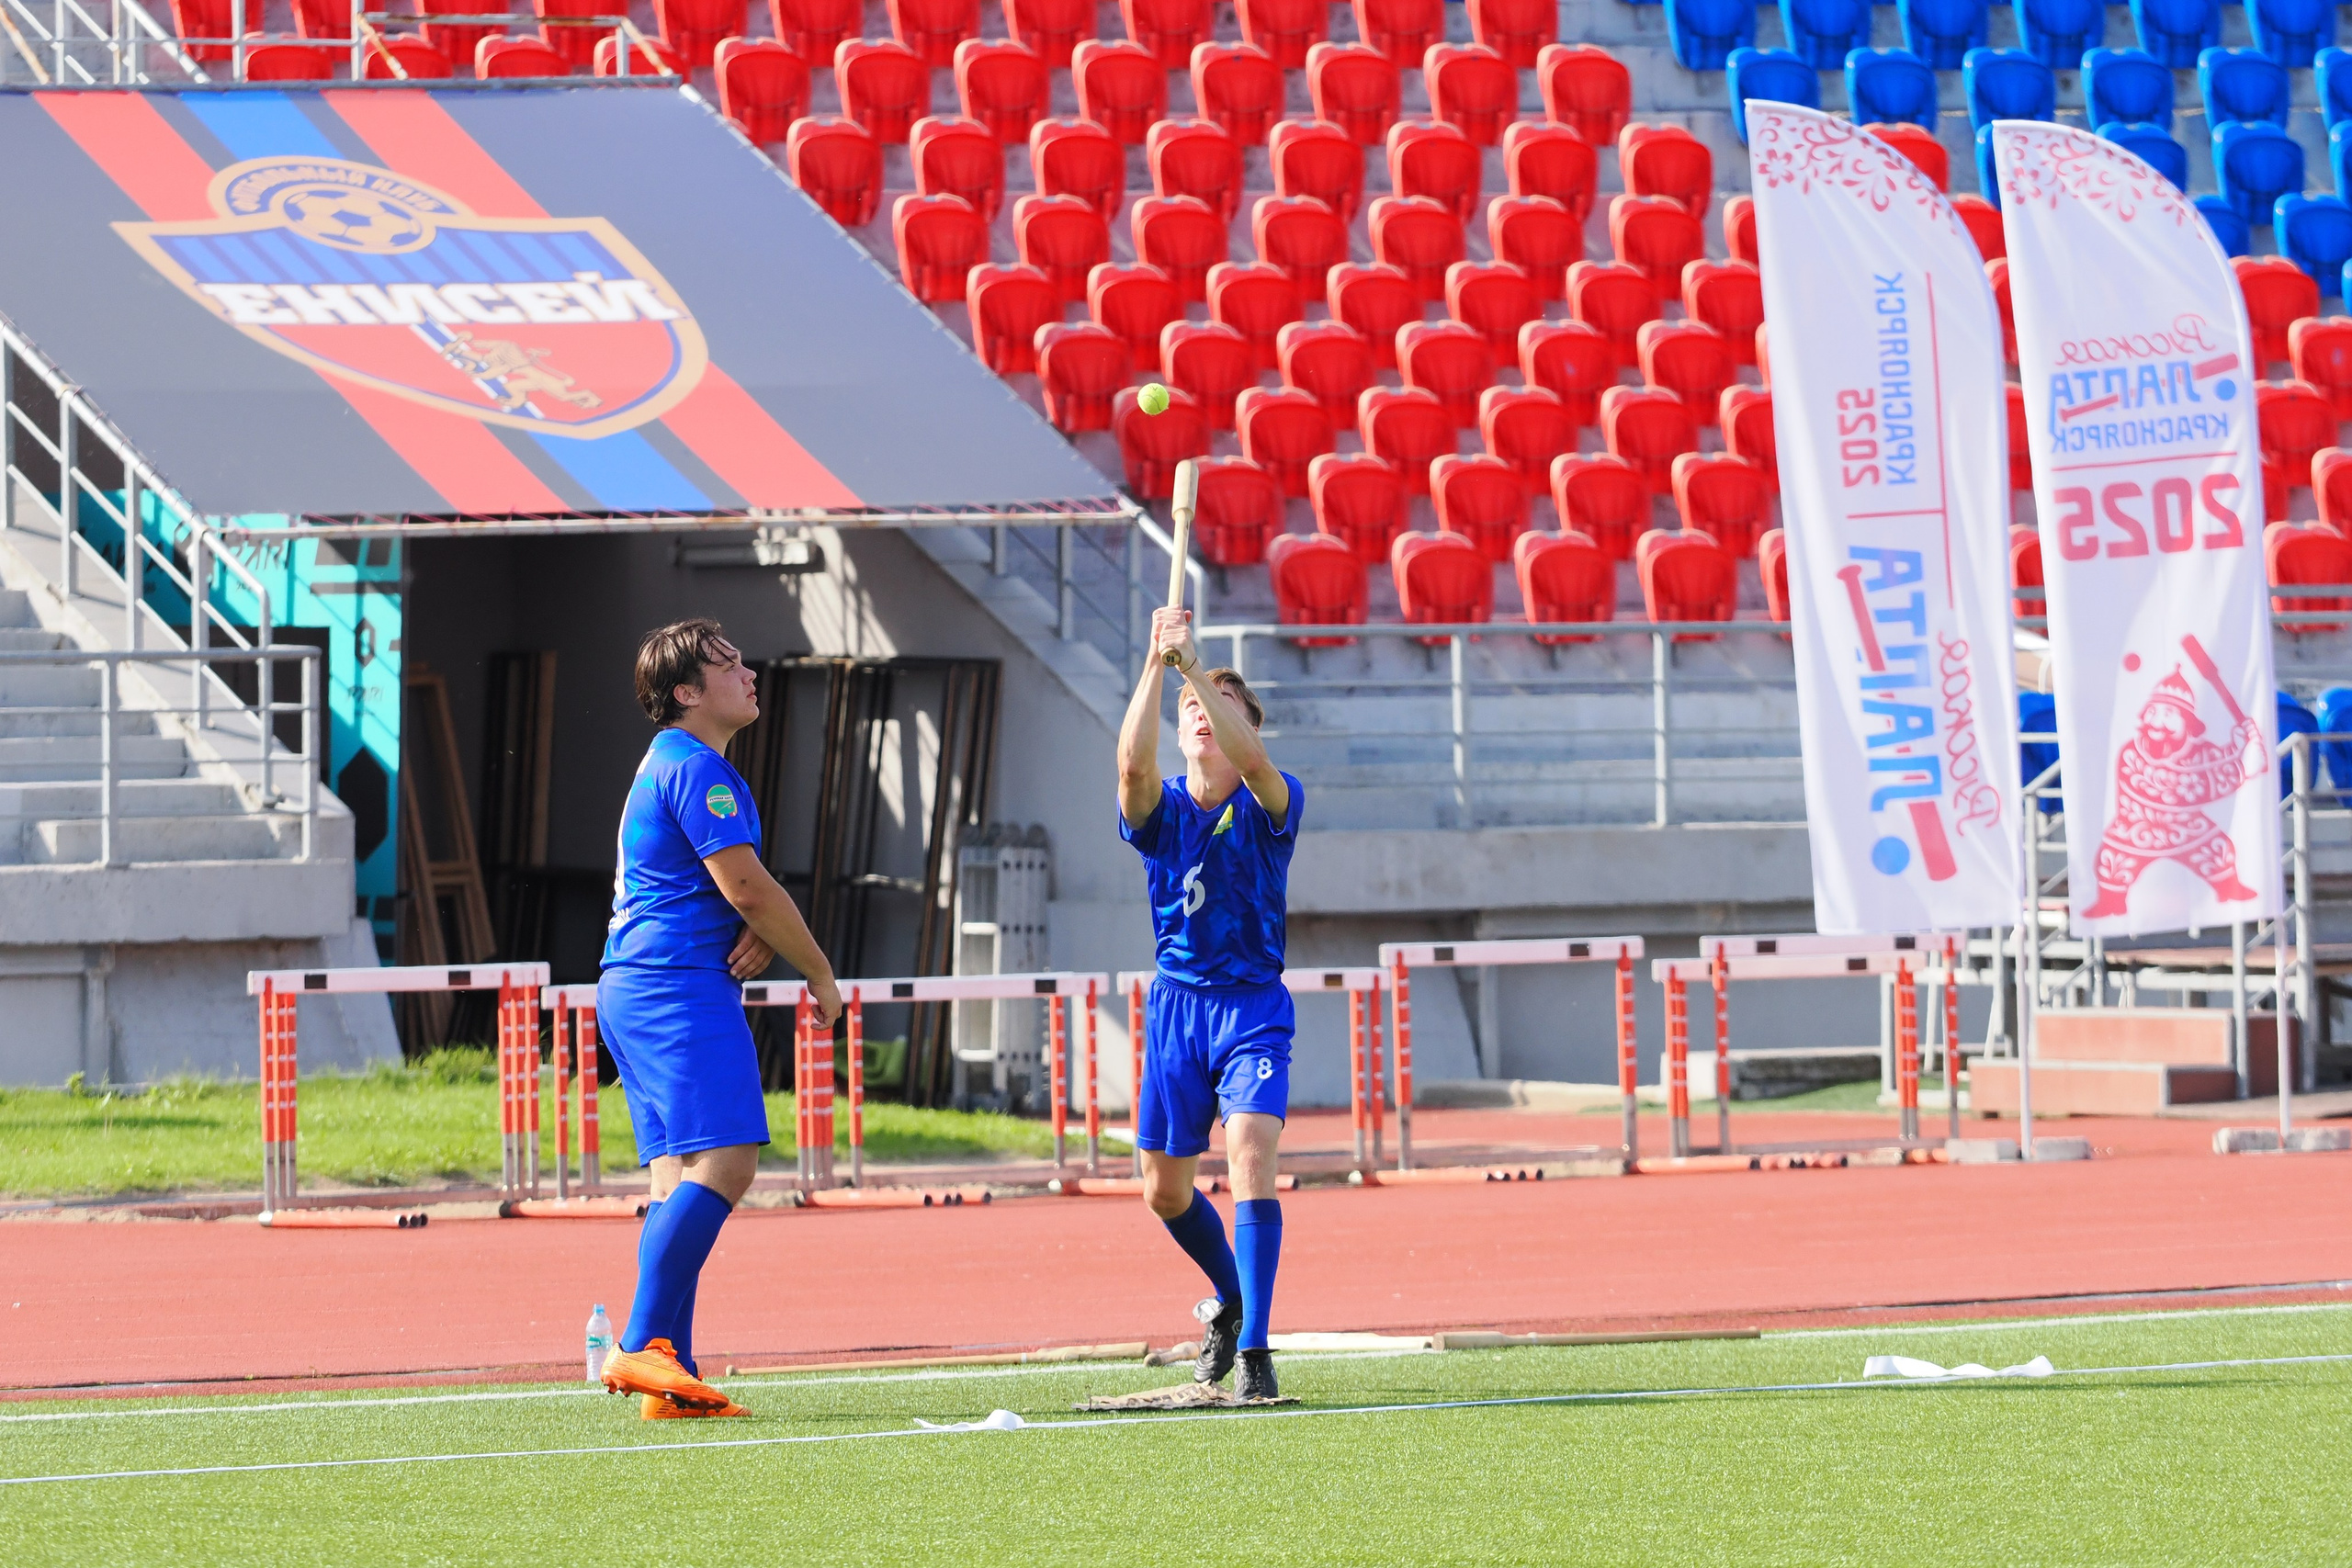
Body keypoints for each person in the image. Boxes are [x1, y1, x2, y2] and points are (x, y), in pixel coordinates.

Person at [596, 619, 842, 1419]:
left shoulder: (669, 762)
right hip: (676, 989)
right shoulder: (699, 767)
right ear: (686, 693)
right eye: (726, 662)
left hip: (637, 983)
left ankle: (675, 1375)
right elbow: (749, 889)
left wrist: (756, 935)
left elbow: (726, 893)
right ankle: (639, 1346)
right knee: (731, 1163)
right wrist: (817, 968)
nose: (749, 670)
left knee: (675, 1180)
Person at [1115, 604, 1303, 1403]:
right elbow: (1129, 773)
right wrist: (1159, 667)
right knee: (1163, 1189)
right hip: (1176, 1011)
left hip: (1251, 1004)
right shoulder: (1163, 813)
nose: (1198, 717)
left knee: (1251, 1151)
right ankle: (1230, 1302)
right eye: (1190, 712)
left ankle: (1256, 1350)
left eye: (1216, 710)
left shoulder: (1271, 803)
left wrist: (1196, 668)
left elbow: (1254, 759)